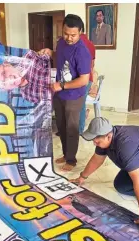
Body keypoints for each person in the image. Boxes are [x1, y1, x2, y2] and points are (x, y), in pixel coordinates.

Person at [38, 14, 91, 172]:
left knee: (72, 128)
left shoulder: (82, 52)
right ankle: (65, 153)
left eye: (73, 35)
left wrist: (61, 85)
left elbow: (83, 80)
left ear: (80, 32)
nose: (69, 38)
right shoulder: (61, 42)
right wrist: (50, 52)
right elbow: (59, 58)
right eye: (66, 33)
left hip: (74, 96)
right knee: (61, 126)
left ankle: (71, 160)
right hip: (59, 93)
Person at [79, 19, 96, 134]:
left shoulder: (77, 44)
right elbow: (92, 65)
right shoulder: (91, 44)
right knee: (81, 104)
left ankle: (78, 129)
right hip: (88, 79)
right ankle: (79, 129)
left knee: (78, 104)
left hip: (80, 80)